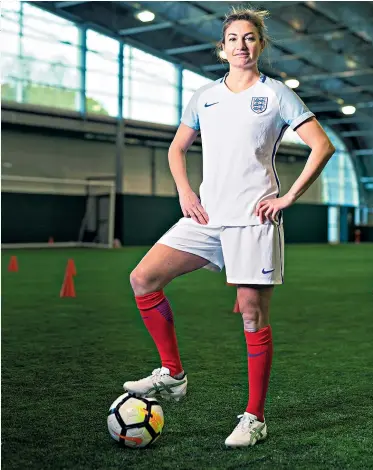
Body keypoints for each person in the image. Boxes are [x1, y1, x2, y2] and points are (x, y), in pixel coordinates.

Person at [123, 7, 335, 448]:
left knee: (252, 315)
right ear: (223, 49)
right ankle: (173, 373)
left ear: (261, 44)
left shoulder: (277, 94)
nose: (242, 45)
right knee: (143, 278)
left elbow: (322, 145)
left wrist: (288, 197)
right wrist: (185, 193)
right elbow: (177, 148)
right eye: (234, 38)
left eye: (251, 37)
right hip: (206, 217)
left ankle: (255, 417)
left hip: (254, 221)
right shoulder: (203, 96)